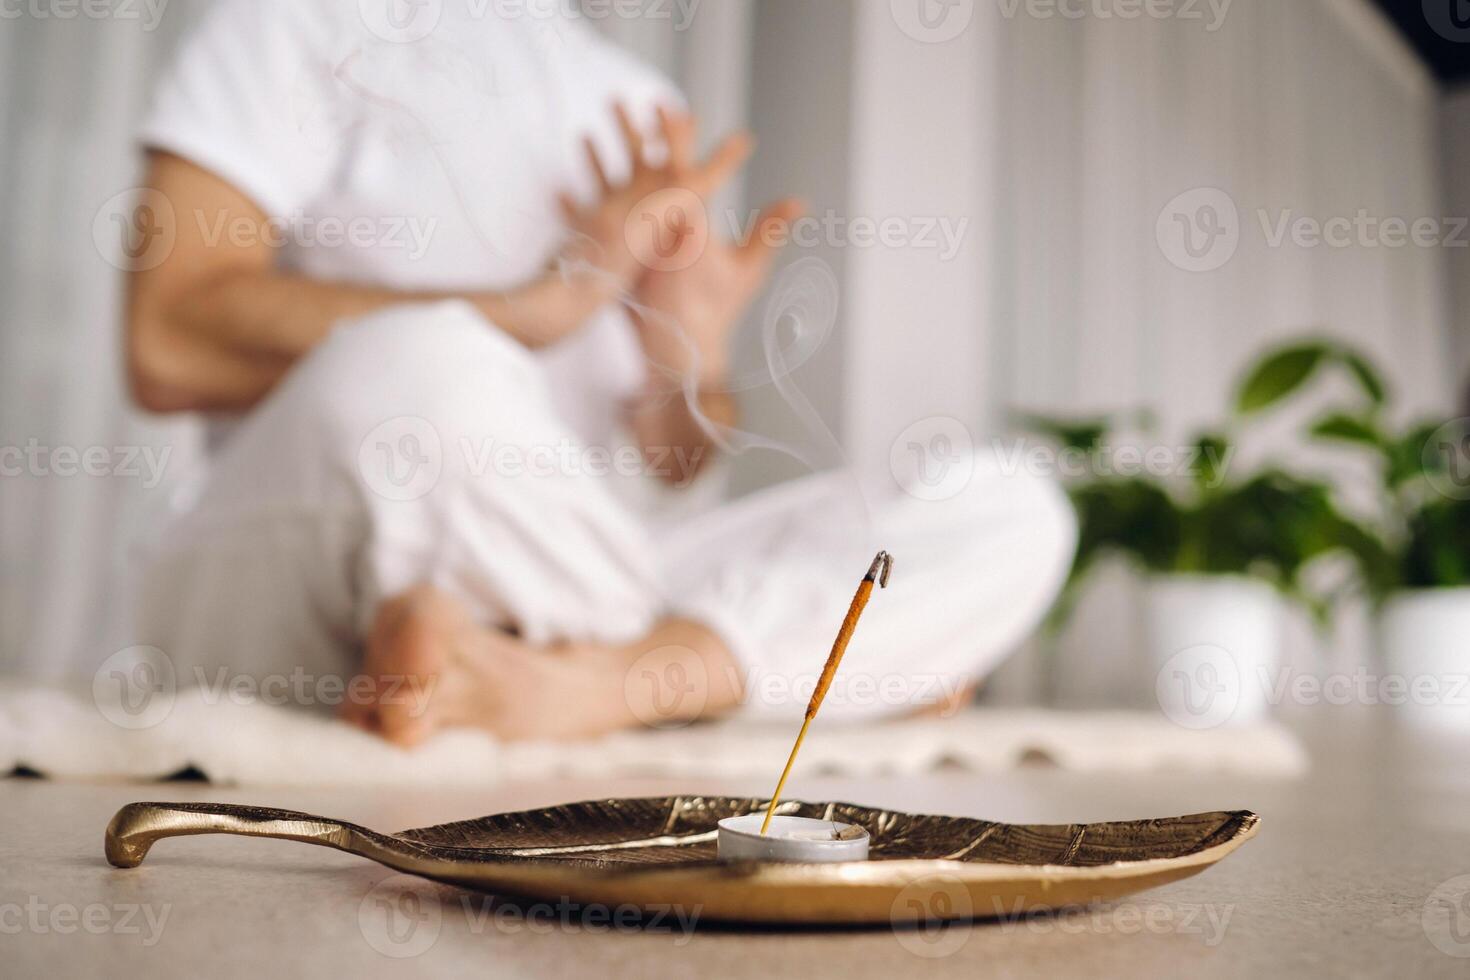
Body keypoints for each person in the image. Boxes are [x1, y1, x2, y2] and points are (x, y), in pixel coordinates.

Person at [124, 0, 1076, 745]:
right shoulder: (290, 25)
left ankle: (584, 688)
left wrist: (688, 353)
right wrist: (544, 307)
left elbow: (674, 460)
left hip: (570, 580)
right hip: (296, 581)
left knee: (1011, 504)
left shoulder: (630, 94)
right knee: (430, 361)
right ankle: (741, 690)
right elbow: (167, 341)